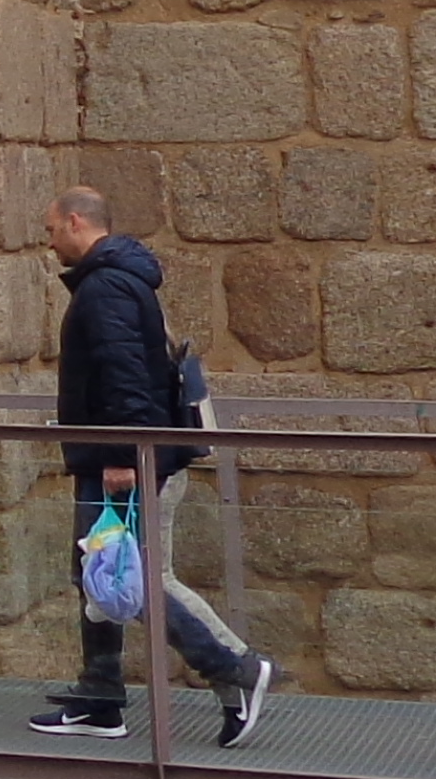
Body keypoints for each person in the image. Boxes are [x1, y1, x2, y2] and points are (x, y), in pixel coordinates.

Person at [34, 185, 277, 745]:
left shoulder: (107, 288)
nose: (49, 243)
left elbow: (125, 376)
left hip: (124, 463)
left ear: (75, 223)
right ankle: (100, 698)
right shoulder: (117, 280)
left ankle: (234, 670)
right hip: (120, 458)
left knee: (134, 577)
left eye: (51, 230)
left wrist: (123, 456)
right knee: (98, 571)